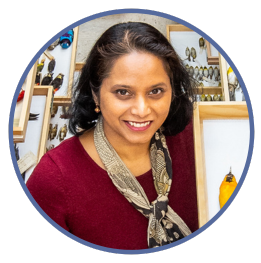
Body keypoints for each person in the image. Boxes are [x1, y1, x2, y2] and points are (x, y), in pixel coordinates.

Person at [26, 22, 199, 250]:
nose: (141, 110)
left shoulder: (195, 139)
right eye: (123, 92)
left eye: (155, 91)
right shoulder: (53, 179)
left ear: (173, 90)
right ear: (95, 94)